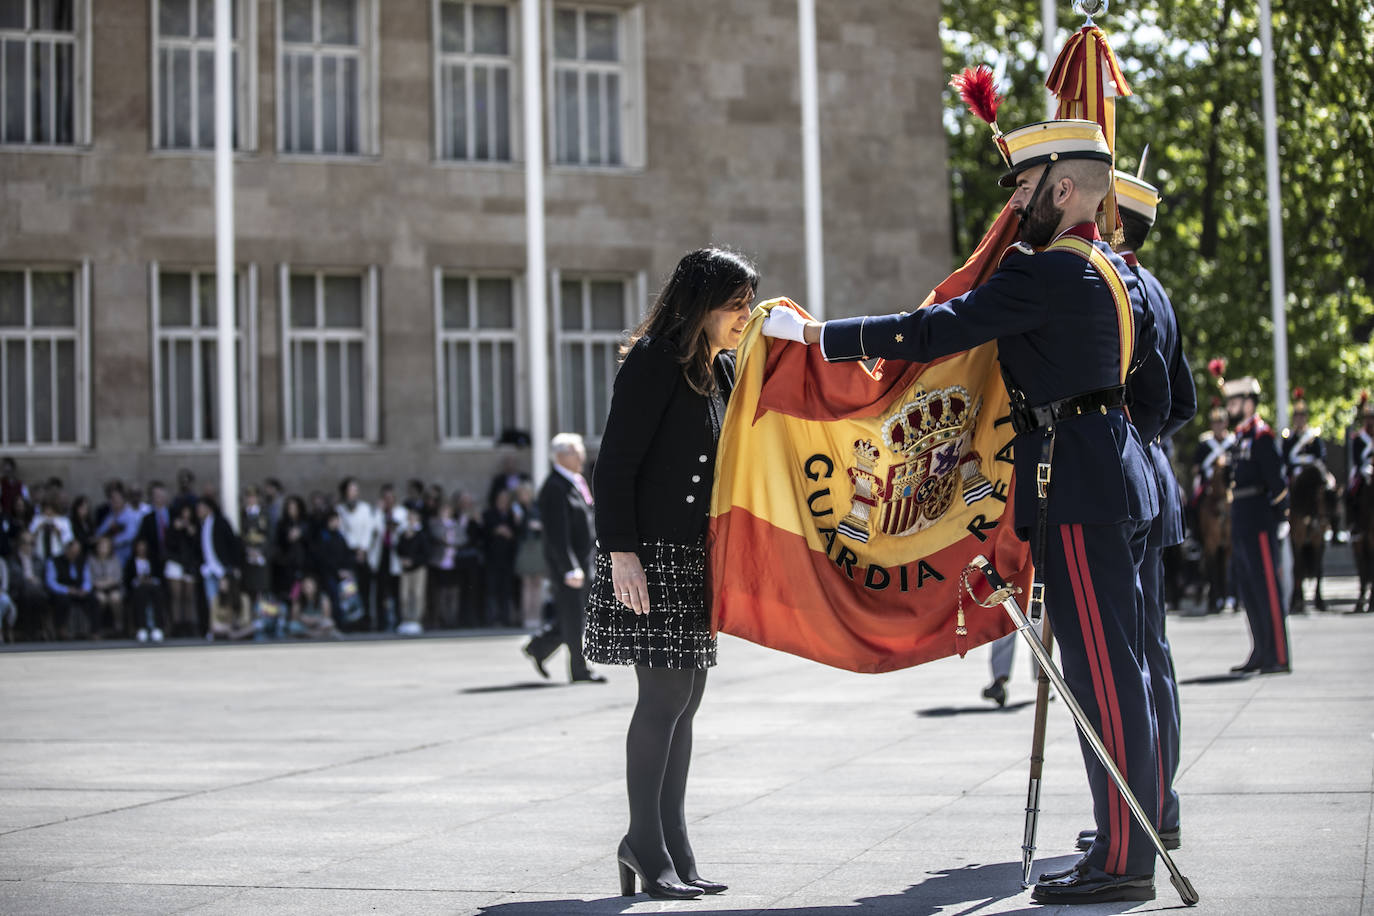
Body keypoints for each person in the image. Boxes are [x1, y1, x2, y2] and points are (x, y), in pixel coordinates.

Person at [763, 122, 1165, 904]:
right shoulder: (1107, 270)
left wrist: (817, 337)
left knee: (1104, 678)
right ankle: (1126, 844)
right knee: (1111, 669)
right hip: (1102, 469)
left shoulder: (1054, 272)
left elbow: (932, 330)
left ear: (1063, 189)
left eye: (1024, 189)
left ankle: (1124, 862)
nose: (1014, 206)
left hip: (1079, 480)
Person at [590, 247, 758, 900]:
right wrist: (620, 551)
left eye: (749, 303)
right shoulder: (654, 361)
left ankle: (674, 844)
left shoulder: (718, 367)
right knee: (661, 701)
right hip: (650, 555)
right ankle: (644, 842)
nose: (744, 315)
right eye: (735, 304)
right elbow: (616, 463)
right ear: (700, 303)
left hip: (695, 555)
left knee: (687, 703)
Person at [1066, 169, 1195, 856]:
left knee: (1127, 659)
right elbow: (1181, 403)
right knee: (1152, 655)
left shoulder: (1117, 287)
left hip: (1115, 482)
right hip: (1151, 480)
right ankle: (1158, 805)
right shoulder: (1156, 290)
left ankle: (1142, 812)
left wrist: (1122, 443)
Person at [1223, 376, 1292, 674]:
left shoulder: (1262, 436)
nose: (1230, 408)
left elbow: (1277, 483)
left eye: (1235, 402)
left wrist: (1281, 518)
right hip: (1242, 522)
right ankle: (1260, 651)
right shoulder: (1240, 437)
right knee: (1249, 590)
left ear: (1249, 403)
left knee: (1267, 590)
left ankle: (1278, 654)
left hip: (1261, 522)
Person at [523, 434, 604, 684]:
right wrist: (570, 568)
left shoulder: (576, 481)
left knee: (576, 615)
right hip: (569, 566)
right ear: (560, 456)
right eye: (575, 452)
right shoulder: (554, 488)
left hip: (584, 561)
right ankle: (579, 670)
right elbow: (557, 534)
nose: (581, 456)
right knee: (574, 617)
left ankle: (539, 647)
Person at [336, 477, 377, 629]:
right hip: (348, 553)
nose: (354, 493)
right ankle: (350, 621)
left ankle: (366, 620)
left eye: (356, 490)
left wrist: (363, 548)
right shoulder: (340, 510)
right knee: (349, 588)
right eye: (351, 490)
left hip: (363, 552)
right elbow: (342, 532)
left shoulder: (365, 508)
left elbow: (368, 528)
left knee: (365, 587)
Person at [482, 487, 520, 627]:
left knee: (507, 589)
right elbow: (483, 534)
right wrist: (496, 530)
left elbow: (517, 534)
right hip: (492, 558)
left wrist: (511, 532)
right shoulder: (488, 514)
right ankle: (492, 619)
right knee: (492, 589)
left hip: (508, 558)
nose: (503, 502)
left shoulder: (512, 515)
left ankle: (506, 619)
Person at [46, 538, 96, 639]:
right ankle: (61, 629)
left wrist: (85, 589)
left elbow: (87, 579)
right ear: (67, 550)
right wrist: (67, 590)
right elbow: (51, 582)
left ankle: (94, 630)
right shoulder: (54, 561)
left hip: (79, 590)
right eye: (73, 552)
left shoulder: (82, 561)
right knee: (62, 601)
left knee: (93, 599)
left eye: (77, 552)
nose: (75, 554)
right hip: (61, 591)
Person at [125, 537, 166, 643]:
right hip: (138, 590)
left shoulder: (153, 561)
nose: (142, 549)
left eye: (144, 547)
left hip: (153, 588)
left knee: (156, 592)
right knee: (141, 592)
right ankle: (141, 627)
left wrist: (150, 581)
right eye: (139, 547)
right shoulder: (131, 562)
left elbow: (159, 577)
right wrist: (139, 581)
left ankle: (157, 627)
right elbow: (128, 580)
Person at [395, 506, 429, 635]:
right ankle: (406, 619)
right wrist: (406, 538)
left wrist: (414, 561)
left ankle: (416, 620)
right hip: (405, 569)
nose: (411, 520)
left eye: (413, 517)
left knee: (417, 594)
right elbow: (398, 549)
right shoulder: (404, 533)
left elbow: (425, 553)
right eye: (409, 518)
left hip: (418, 568)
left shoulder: (422, 534)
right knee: (404, 595)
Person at [88, 535, 126, 638]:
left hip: (113, 587)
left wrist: (108, 582)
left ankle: (119, 624)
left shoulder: (114, 559)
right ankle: (98, 627)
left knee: (115, 598)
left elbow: (118, 577)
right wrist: (99, 584)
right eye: (101, 546)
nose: (103, 548)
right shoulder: (91, 560)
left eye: (106, 546)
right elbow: (89, 578)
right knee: (101, 598)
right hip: (96, 588)